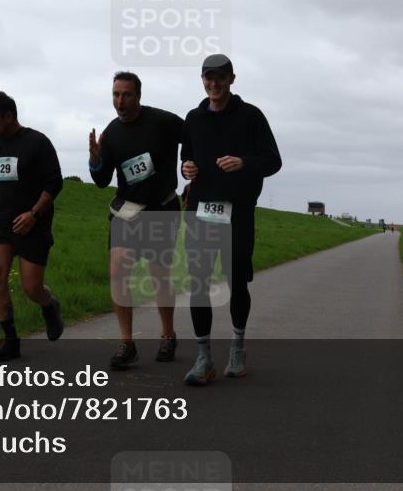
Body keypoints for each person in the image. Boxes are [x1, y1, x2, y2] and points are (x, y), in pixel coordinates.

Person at [180, 54, 281, 385]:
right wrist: (186, 169)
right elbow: (187, 159)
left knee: (236, 281)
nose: (214, 83)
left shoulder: (251, 116)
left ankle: (237, 349)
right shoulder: (193, 118)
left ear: (232, 79)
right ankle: (204, 357)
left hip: (237, 211)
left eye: (220, 77)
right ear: (202, 79)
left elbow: (273, 161)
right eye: (208, 77)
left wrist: (244, 163)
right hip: (202, 210)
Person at [89, 72, 183, 369]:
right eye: (116, 95)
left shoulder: (163, 121)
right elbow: (103, 180)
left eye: (126, 95)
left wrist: (193, 167)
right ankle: (127, 342)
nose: (120, 101)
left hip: (161, 208)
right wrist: (95, 160)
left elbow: (193, 140)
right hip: (127, 210)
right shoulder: (112, 133)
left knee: (159, 275)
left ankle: (168, 334)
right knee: (118, 269)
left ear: (138, 96)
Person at [0, 91, 64, 361]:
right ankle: (11, 342)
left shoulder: (37, 142)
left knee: (31, 288)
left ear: (9, 116)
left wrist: (33, 214)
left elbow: (54, 183)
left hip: (33, 226)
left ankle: (49, 305)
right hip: (1, 226)